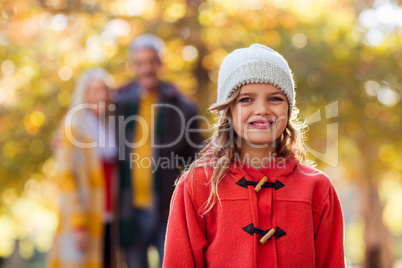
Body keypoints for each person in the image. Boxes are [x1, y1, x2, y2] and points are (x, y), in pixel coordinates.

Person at [163, 44, 345, 267]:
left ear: (288, 109)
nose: (262, 109)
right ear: (228, 111)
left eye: (275, 98)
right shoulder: (197, 185)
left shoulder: (318, 188)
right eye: (246, 99)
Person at [114, 34, 202, 268]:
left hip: (167, 207)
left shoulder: (182, 106)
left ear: (160, 64)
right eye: (140, 63)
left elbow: (197, 158)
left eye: (151, 62)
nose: (146, 68)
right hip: (129, 208)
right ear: (133, 65)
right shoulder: (119, 103)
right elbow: (91, 129)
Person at [47, 68, 118, 268]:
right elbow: (66, 177)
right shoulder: (72, 127)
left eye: (104, 90)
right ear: (83, 94)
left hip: (107, 216)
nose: (100, 96)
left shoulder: (108, 126)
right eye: (93, 91)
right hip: (84, 216)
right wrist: (78, 224)